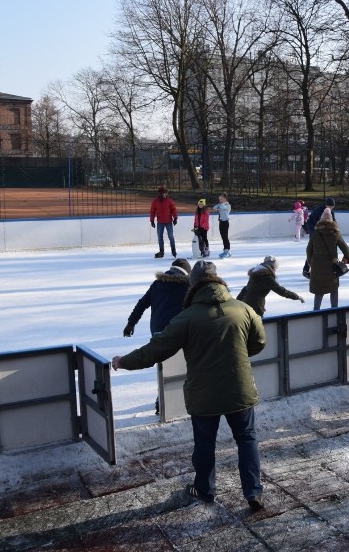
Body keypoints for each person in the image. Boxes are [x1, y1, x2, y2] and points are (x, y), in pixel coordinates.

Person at [112, 260, 267, 512]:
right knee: (247, 439)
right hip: (240, 389)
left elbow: (155, 350)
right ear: (218, 280)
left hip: (204, 393)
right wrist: (237, 355)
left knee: (205, 444)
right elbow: (259, 342)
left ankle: (205, 489)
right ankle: (253, 492)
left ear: (193, 285)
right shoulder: (243, 309)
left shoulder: (187, 317)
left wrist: (124, 361)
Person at [123, 258, 192, 415]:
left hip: (157, 331)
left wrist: (131, 323)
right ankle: (171, 401)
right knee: (182, 366)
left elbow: (142, 304)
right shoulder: (187, 286)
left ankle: (160, 401)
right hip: (177, 332)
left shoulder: (157, 284)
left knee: (163, 367)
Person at [306, 208, 349, 310]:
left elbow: (309, 250)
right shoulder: (335, 234)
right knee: (333, 288)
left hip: (317, 267)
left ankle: (316, 311)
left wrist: (310, 263)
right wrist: (344, 260)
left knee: (319, 290)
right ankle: (335, 309)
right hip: (332, 267)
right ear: (331, 221)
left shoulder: (315, 234)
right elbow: (346, 249)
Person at [236, 255, 305, 317]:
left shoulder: (256, 273)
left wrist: (237, 301)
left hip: (247, 304)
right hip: (255, 308)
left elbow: (246, 289)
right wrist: (297, 297)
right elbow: (281, 291)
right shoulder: (266, 277)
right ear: (273, 267)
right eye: (275, 268)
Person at [150, 186, 178, 259]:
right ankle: (161, 251)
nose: (165, 194)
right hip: (160, 222)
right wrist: (152, 220)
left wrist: (175, 218)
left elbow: (173, 209)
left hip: (168, 221)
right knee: (160, 237)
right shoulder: (155, 201)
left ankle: (173, 250)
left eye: (166, 193)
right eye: (163, 193)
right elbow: (152, 211)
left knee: (171, 236)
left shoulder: (169, 200)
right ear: (160, 193)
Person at [213, 193, 231, 258]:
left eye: (221, 199)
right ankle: (225, 250)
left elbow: (223, 207)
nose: (220, 200)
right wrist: (219, 205)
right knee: (223, 236)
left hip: (225, 222)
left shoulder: (228, 205)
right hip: (221, 222)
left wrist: (220, 205)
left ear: (225, 198)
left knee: (225, 237)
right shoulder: (221, 204)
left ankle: (227, 250)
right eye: (219, 199)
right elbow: (214, 207)